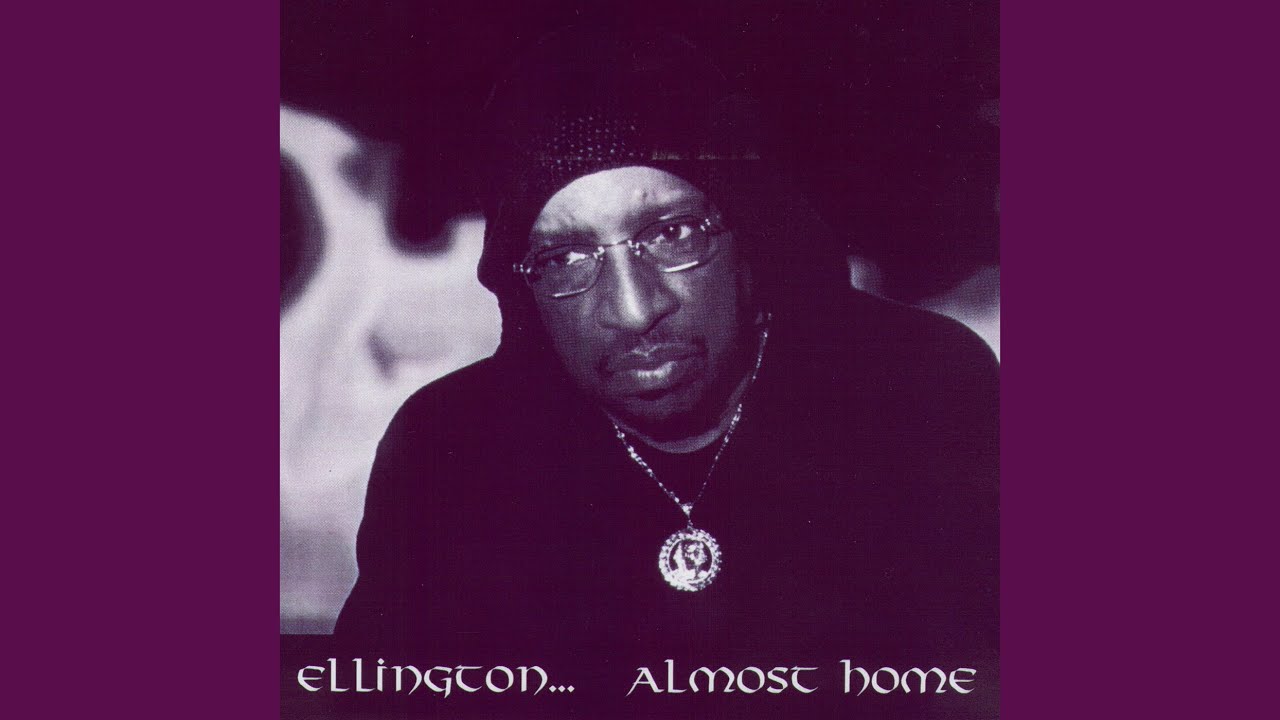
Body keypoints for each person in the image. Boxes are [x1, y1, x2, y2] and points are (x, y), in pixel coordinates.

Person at [335, 27, 998, 718]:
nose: (634, 310)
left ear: (750, 230)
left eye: (672, 232)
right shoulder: (450, 449)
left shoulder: (922, 391)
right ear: (522, 286)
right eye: (564, 258)